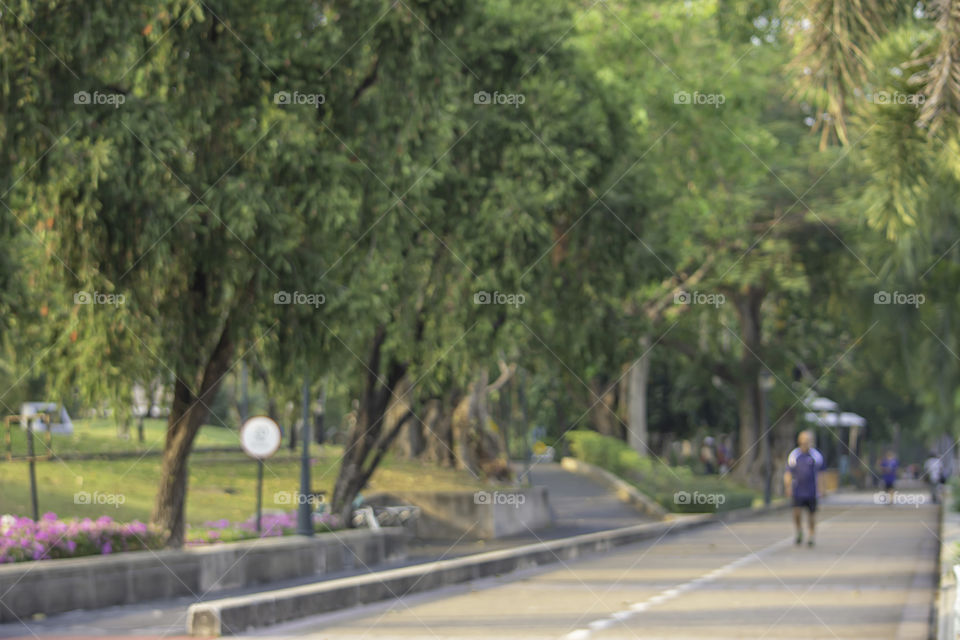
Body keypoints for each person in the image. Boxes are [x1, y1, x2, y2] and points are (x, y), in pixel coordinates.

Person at [787, 430, 824, 547]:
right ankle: (799, 532)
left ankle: (811, 536)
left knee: (811, 515)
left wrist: (822, 489)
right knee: (796, 513)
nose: (805, 443)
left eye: (807, 440)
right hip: (798, 490)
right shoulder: (794, 455)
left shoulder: (816, 456)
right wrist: (788, 487)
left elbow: (822, 473)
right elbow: (788, 473)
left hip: (812, 490)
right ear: (799, 441)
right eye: (803, 440)